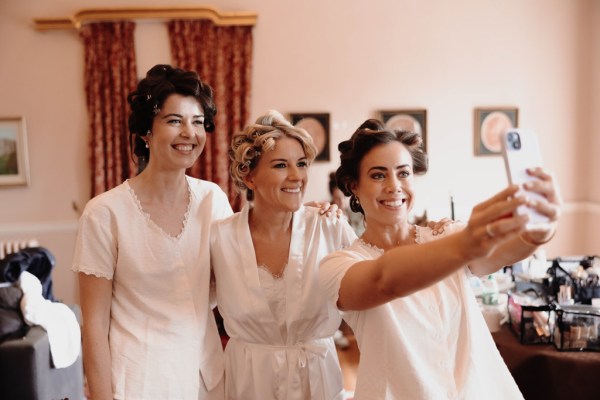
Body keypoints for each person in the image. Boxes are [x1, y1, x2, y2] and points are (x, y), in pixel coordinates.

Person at [319, 119, 562, 400]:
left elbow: (499, 254)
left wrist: (540, 232)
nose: (394, 186)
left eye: (404, 173)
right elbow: (385, 281)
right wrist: (468, 242)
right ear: (354, 187)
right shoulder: (339, 266)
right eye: (378, 175)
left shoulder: (448, 235)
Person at [72, 64, 232, 400]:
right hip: (139, 383)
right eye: (174, 121)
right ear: (146, 131)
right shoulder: (104, 214)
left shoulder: (212, 200)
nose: (189, 132)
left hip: (207, 378)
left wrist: (306, 219)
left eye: (198, 122)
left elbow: (238, 281)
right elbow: (94, 326)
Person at [210, 110, 357, 399]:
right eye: (280, 165)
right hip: (249, 384)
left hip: (318, 382)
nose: (296, 176)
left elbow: (374, 285)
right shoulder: (219, 238)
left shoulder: (329, 227)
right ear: (249, 176)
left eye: (301, 164)